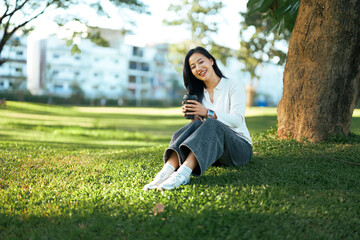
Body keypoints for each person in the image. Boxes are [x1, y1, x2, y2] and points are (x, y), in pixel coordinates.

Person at [144, 46, 252, 191]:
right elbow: (200, 132)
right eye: (193, 67)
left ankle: (183, 174)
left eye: (201, 62)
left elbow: (237, 121)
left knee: (213, 123)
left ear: (211, 61)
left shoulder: (232, 85)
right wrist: (195, 117)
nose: (198, 68)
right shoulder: (198, 94)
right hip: (214, 154)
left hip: (240, 149)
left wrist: (207, 112)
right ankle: (165, 172)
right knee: (187, 129)